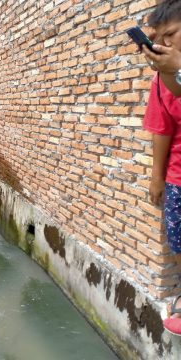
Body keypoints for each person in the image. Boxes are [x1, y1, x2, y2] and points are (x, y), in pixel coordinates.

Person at [140, 0, 181, 335]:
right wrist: (157, 179)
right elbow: (162, 129)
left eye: (170, 35)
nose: (162, 45)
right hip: (178, 179)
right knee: (179, 243)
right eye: (156, 38)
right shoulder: (161, 81)